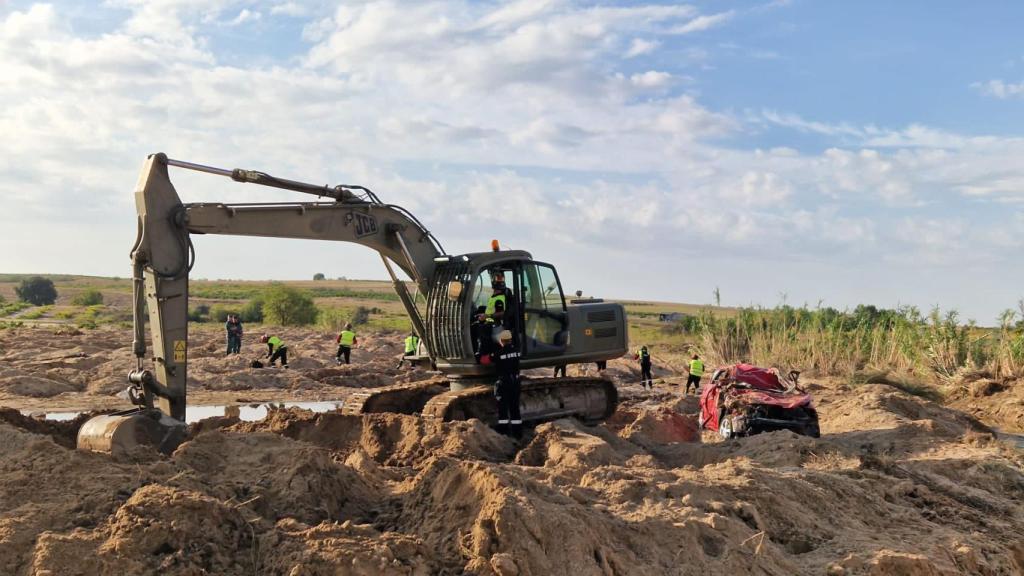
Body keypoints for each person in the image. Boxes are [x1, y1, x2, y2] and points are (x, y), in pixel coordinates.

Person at [492, 329, 522, 438]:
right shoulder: (517, 351)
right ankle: (518, 433)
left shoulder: (498, 353)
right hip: (515, 382)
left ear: (501, 341)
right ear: (510, 340)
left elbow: (485, 360)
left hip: (504, 383)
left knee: (503, 407)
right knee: (515, 407)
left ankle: (504, 432)